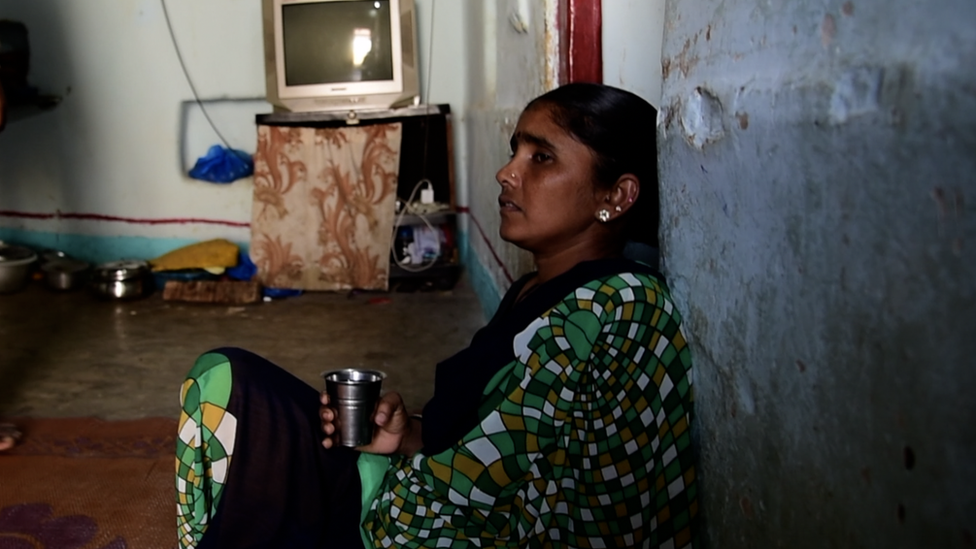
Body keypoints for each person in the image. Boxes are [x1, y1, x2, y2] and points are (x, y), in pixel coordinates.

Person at [175, 83, 697, 548]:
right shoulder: (534, 289)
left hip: (430, 527)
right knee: (227, 379)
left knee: (232, 414)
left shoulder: (618, 310)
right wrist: (407, 435)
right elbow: (487, 432)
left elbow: (601, 510)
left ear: (616, 196)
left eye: (541, 157)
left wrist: (400, 481)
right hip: (402, 488)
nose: (507, 172)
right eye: (515, 150)